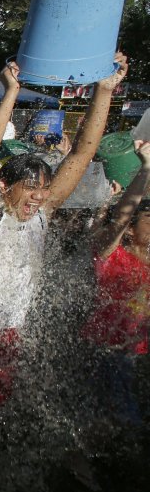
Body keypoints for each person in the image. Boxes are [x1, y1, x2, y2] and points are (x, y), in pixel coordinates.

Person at [0, 54, 127, 450]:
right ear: (7, 185)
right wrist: (10, 94)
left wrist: (104, 92)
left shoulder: (42, 213)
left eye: (44, 188)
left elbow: (81, 155)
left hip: (8, 330)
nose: (39, 197)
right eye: (31, 187)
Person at [81, 140, 150, 424]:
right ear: (131, 231)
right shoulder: (113, 257)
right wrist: (145, 168)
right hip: (104, 349)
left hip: (136, 351)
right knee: (109, 413)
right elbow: (120, 219)